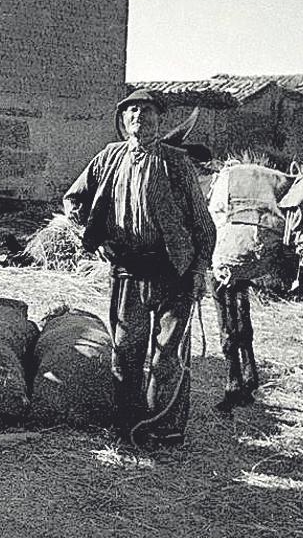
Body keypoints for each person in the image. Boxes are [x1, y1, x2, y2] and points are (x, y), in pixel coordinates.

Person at [63, 88, 215, 448]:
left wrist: (199, 271)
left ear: (159, 120)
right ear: (122, 121)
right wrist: (91, 234)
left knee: (167, 356)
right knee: (126, 351)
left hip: (172, 272)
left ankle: (166, 428)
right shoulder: (108, 158)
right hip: (128, 272)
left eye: (146, 112)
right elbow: (73, 199)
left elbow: (202, 224)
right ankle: (127, 426)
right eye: (131, 111)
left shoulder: (175, 163)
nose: (138, 118)